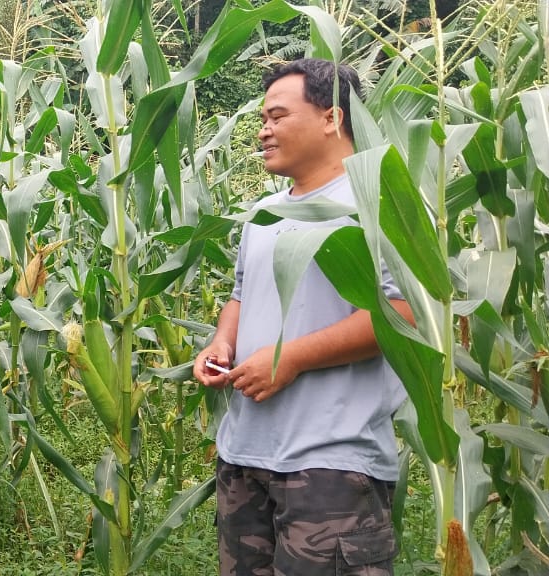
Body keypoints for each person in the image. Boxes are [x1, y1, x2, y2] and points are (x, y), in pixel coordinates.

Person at [193, 58, 414, 575]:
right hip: (245, 457)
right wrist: (221, 344)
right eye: (262, 119)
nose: (262, 131)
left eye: (276, 116)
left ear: (332, 118)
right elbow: (241, 296)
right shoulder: (265, 212)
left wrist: (291, 358)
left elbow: (403, 312)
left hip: (331, 464)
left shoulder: (381, 202)